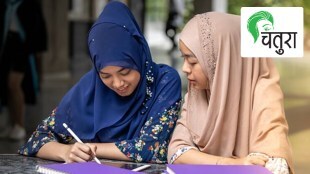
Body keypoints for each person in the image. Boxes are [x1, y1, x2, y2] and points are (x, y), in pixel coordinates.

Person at [18, 1, 182, 164]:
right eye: (105, 75)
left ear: (139, 56)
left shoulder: (164, 81)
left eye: (124, 72)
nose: (117, 84)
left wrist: (88, 148)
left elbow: (152, 148)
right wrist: (66, 151)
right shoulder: (90, 86)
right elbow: (36, 140)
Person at [167, 12, 294, 174]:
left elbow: (270, 163)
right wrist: (233, 164)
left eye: (192, 61)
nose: (184, 68)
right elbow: (176, 152)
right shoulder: (198, 91)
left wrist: (200, 160)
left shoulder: (264, 90)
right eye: (183, 58)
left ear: (221, 60)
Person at [0, 0, 47, 140]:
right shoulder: (6, 4)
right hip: (6, 45)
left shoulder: (29, 3)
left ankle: (19, 124)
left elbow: (39, 27)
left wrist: (37, 52)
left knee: (14, 84)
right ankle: (12, 123)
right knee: (6, 86)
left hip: (22, 48)